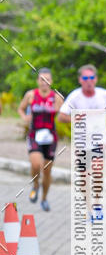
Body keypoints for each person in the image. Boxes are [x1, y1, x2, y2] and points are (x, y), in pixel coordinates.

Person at [17, 68, 64, 211]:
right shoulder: (31, 95)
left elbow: (63, 116)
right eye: (42, 79)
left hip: (50, 136)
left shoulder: (56, 98)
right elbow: (21, 108)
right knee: (36, 165)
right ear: (38, 81)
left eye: (47, 80)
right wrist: (25, 117)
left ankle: (44, 198)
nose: (45, 82)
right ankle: (35, 184)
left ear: (51, 81)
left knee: (47, 170)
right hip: (34, 135)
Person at [57, 64, 106, 139]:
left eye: (92, 77)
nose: (89, 80)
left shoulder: (105, 94)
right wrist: (75, 119)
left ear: (96, 79)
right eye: (85, 78)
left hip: (99, 139)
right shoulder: (74, 96)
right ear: (80, 80)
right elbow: (60, 117)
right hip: (81, 141)